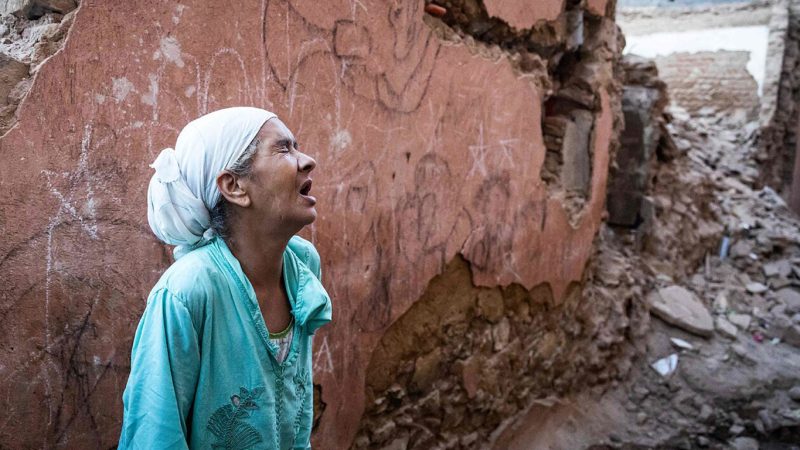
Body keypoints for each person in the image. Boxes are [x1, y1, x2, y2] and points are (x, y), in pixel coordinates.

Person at [118, 107, 332, 450]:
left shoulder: (301, 265)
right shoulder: (187, 291)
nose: (306, 161)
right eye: (283, 149)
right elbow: (154, 435)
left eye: (297, 146)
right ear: (234, 186)